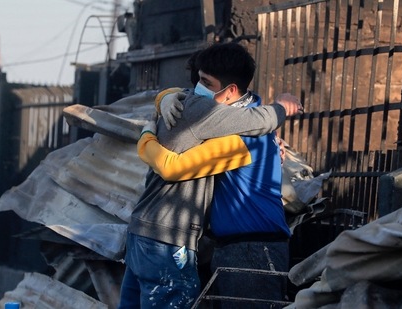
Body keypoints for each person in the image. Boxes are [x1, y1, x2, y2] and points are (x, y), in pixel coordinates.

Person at [118, 43, 301, 308]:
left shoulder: (241, 135)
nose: (196, 89)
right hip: (221, 243)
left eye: (205, 82)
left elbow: (173, 167)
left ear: (231, 92)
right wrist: (166, 97)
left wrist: (146, 135)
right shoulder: (211, 114)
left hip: (253, 246)